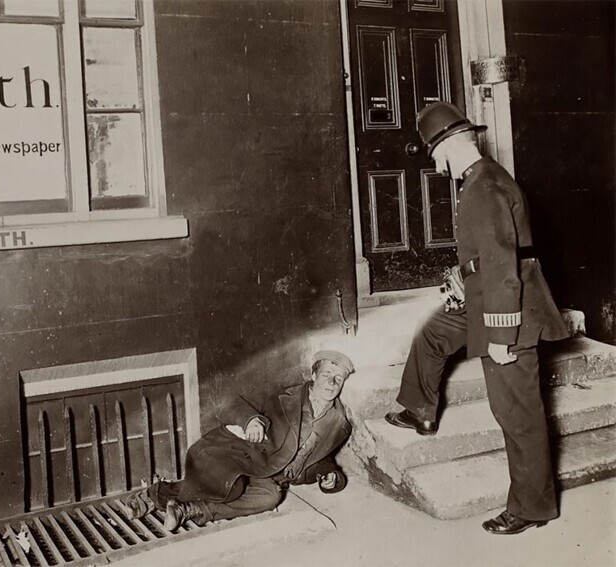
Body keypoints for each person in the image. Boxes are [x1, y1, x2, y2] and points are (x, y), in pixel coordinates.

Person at [385, 102, 569, 535]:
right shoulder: (482, 179)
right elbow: (491, 256)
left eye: (434, 156)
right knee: (433, 330)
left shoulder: (482, 187)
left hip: (510, 310)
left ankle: (531, 507)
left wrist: (502, 337)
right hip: (486, 294)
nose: (436, 165)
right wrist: (462, 276)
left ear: (447, 147)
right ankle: (420, 410)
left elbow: (505, 267)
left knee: (516, 412)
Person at [124, 350, 354, 531]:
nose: (332, 383)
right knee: (230, 487)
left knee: (270, 497)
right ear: (313, 375)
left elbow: (321, 457)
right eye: (326, 375)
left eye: (338, 378)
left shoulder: (339, 423)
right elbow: (230, 404)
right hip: (244, 456)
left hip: (272, 477)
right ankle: (152, 496)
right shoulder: (284, 395)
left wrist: (333, 476)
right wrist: (251, 420)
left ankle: (190, 510)